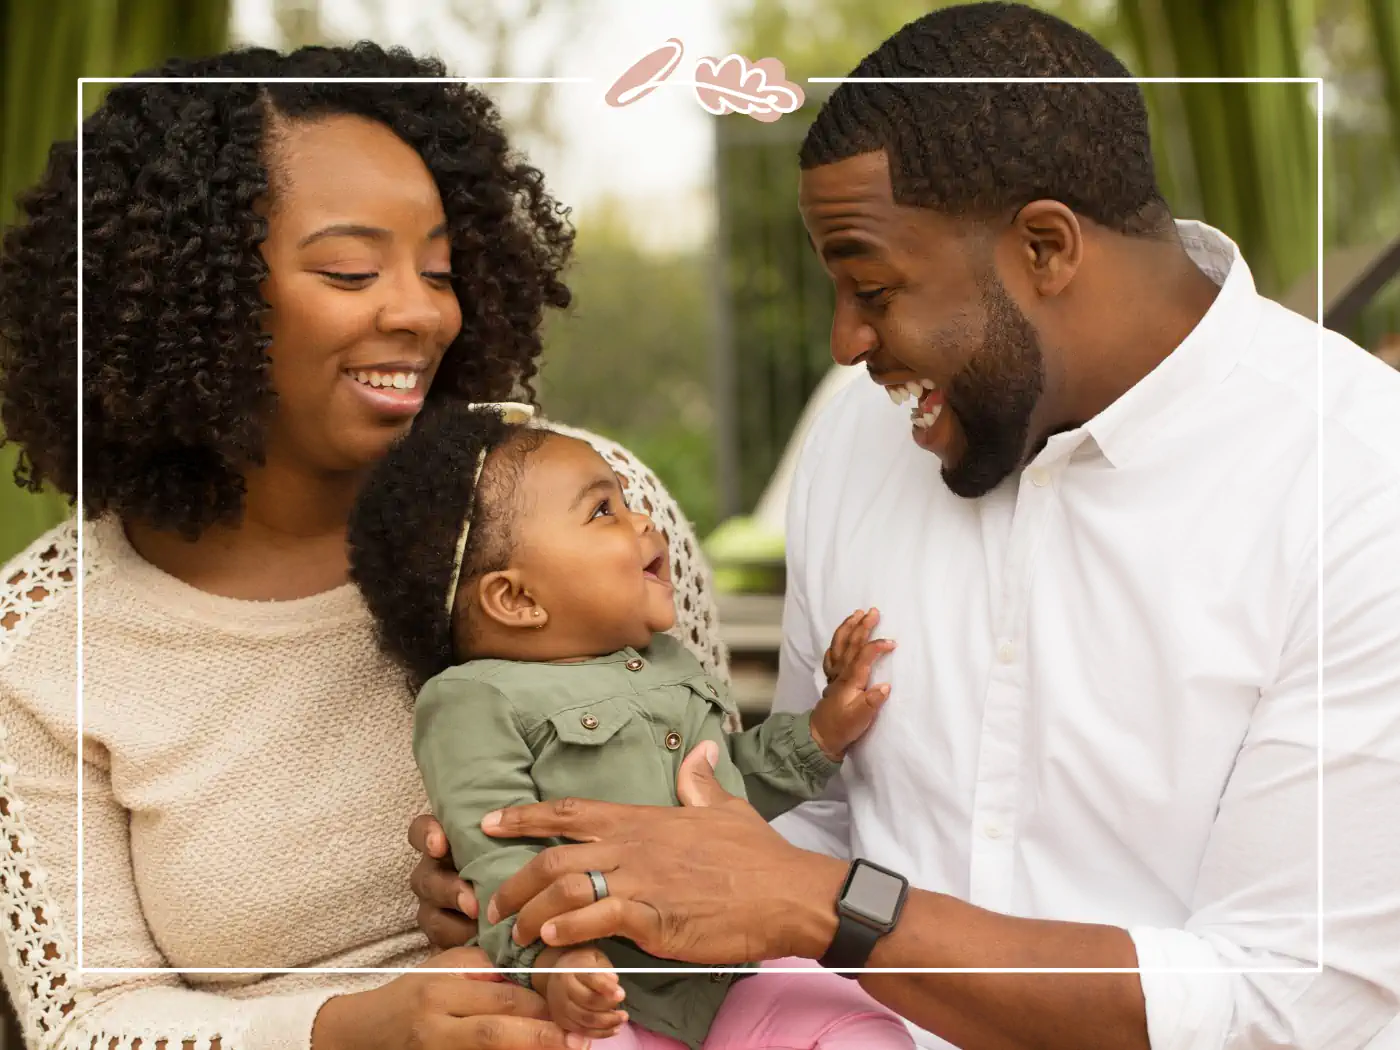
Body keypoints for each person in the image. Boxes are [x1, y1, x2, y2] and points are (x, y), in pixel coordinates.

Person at [405, 5, 1400, 1050]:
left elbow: (1298, 1004)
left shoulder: (1358, 485)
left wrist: (838, 911)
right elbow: (787, 833)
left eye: (871, 288)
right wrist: (568, 875)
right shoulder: (857, 437)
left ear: (1045, 246)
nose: (842, 345)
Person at [0, 42, 728, 1050]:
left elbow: (724, 816)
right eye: (351, 270)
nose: (422, 311)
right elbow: (87, 1018)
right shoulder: (41, 644)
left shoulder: (587, 510)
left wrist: (548, 891)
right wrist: (349, 1029)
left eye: (439, 267)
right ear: (177, 294)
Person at [345, 401, 912, 1050]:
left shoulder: (669, 660)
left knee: (853, 1025)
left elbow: (724, 787)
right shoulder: (472, 701)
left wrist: (821, 732)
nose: (643, 520)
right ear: (517, 598)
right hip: (602, 996)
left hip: (729, 976)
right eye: (603, 511)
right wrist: (553, 966)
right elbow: (498, 859)